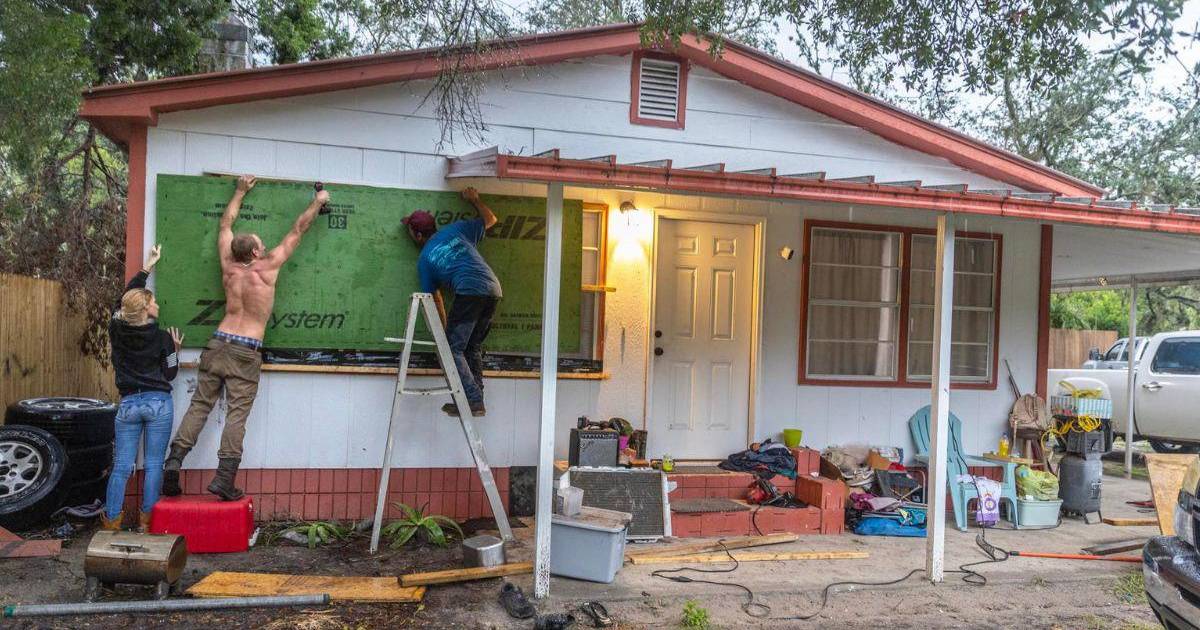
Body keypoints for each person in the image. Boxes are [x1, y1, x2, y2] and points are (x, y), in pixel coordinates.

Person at [161, 175, 328, 500]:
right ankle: (224, 479)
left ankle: (174, 462)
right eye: (260, 245)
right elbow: (298, 230)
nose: (264, 247)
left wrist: (239, 191)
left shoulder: (228, 265)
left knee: (200, 405)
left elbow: (225, 225)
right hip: (245, 351)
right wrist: (318, 202)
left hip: (218, 342)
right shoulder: (267, 268)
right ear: (254, 251)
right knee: (237, 413)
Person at [104, 244, 183, 531]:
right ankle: (148, 521)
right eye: (153, 302)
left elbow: (122, 301)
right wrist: (175, 350)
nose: (157, 304)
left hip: (128, 404)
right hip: (158, 403)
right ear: (147, 309)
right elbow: (170, 373)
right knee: (153, 464)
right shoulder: (163, 338)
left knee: (122, 466)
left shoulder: (117, 329)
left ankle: (112, 521)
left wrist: (146, 268)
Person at [403, 187, 501, 417]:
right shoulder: (455, 230)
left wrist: (445, 330)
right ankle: (476, 402)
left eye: (410, 230)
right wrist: (475, 199)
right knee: (471, 347)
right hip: (493, 289)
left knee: (453, 348)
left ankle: (473, 399)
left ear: (418, 235)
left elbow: (435, 298)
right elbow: (491, 219)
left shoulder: (425, 260)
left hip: (470, 291)